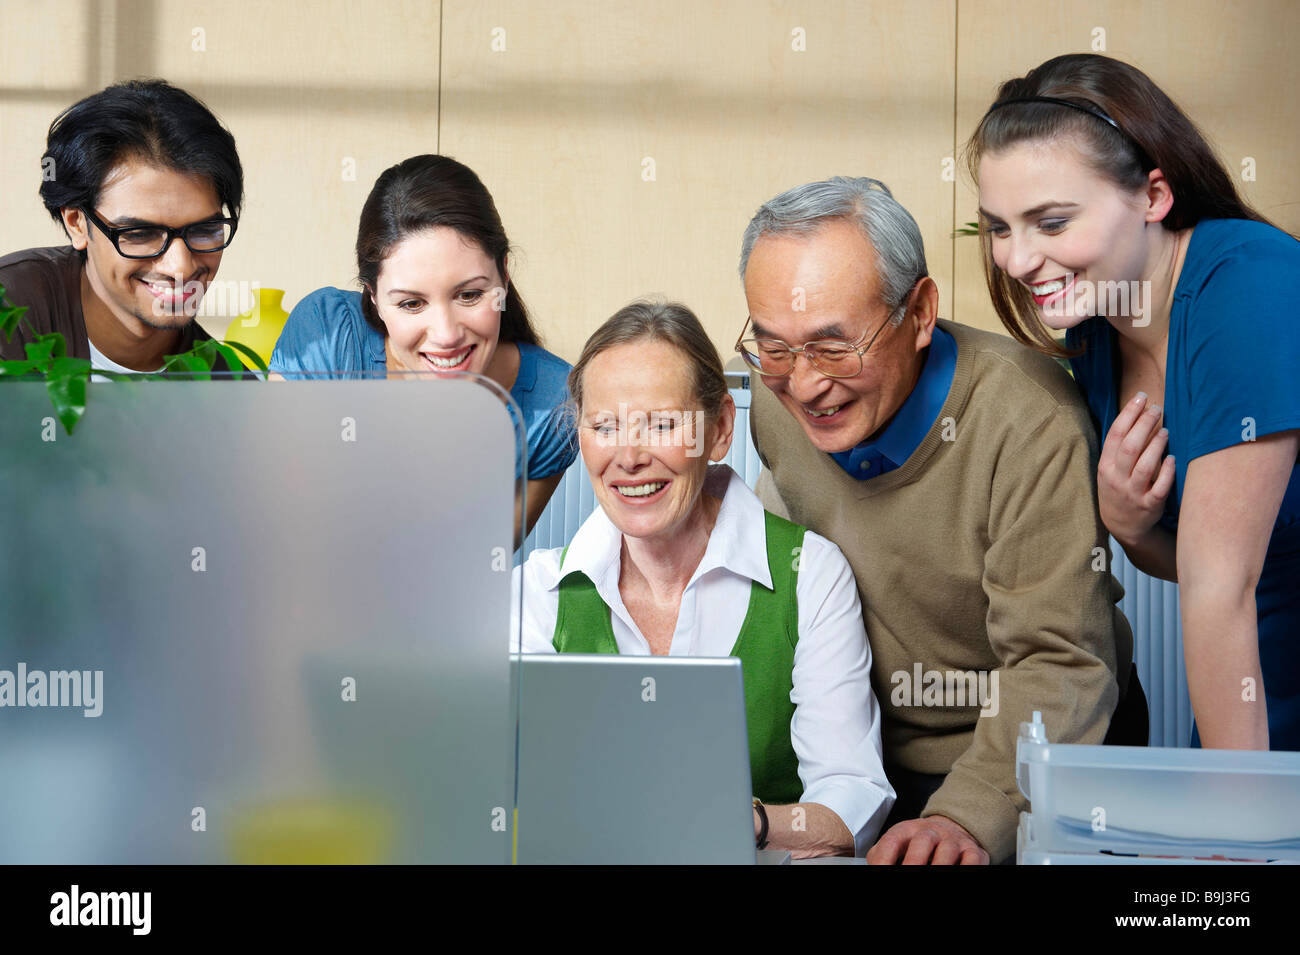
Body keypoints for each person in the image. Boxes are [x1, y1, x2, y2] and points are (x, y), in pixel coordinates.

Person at [738, 175, 1144, 865]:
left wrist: (966, 816)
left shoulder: (1028, 420)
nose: (803, 384)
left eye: (834, 346)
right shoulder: (776, 400)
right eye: (775, 347)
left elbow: (1058, 660)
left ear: (921, 311)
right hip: (871, 763)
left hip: (1033, 752)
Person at [967, 53, 1300, 752]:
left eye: (1051, 223)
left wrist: (1234, 805)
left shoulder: (1250, 284)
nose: (1017, 260)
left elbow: (1220, 586)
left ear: (1153, 196)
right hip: (1262, 670)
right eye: (999, 228)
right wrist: (1131, 527)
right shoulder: (1095, 335)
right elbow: (1208, 563)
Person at [512, 300, 894, 858]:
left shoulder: (810, 574)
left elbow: (850, 805)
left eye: (662, 424)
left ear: (719, 430)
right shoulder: (536, 593)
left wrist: (743, 822)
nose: (629, 457)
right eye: (605, 426)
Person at [270, 155, 575, 540]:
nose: (446, 335)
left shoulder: (554, 401)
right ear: (374, 296)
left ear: (504, 275)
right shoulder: (328, 335)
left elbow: (483, 554)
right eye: (412, 303)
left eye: (469, 295)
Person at [0, 80, 244, 373]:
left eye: (204, 230)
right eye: (141, 234)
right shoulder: (10, 311)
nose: (180, 267)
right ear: (77, 223)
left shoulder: (225, 382)